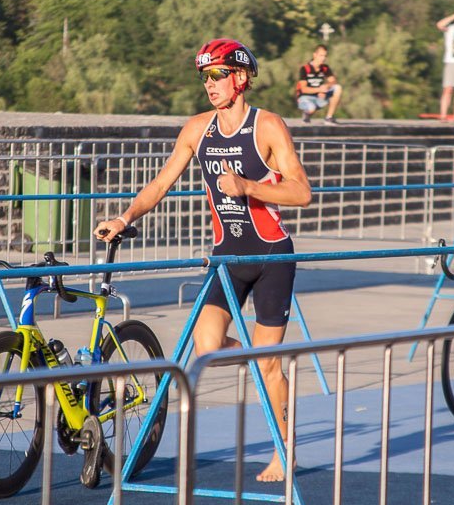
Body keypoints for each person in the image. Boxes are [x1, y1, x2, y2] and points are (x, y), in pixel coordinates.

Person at [95, 38, 312, 482]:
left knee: (269, 365)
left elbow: (302, 192)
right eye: (204, 77)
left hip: (272, 255)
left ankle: (283, 450)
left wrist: (250, 187)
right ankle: (262, 359)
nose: (209, 85)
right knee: (208, 345)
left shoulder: (267, 126)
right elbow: (160, 183)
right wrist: (125, 216)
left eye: (217, 75)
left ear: (241, 77)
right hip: (227, 255)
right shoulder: (197, 129)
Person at [295, 44, 343, 125]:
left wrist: (326, 87)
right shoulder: (305, 69)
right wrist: (319, 89)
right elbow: (304, 89)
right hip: (305, 97)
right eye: (321, 55)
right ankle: (306, 114)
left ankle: (329, 118)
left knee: (338, 88)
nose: (323, 58)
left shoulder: (325, 68)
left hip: (319, 97)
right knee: (311, 108)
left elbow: (333, 81)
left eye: (325, 56)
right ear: (315, 55)